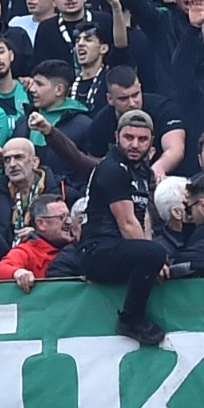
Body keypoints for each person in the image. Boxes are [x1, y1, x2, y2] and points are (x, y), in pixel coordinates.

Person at [77, 109, 172, 345]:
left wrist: (152, 255)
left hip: (117, 247)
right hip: (97, 249)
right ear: (117, 136)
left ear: (152, 142)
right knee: (155, 253)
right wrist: (152, 256)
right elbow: (128, 223)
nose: (134, 145)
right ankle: (131, 318)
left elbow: (143, 218)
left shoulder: (141, 172)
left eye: (142, 140)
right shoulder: (113, 168)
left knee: (159, 253)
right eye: (129, 137)